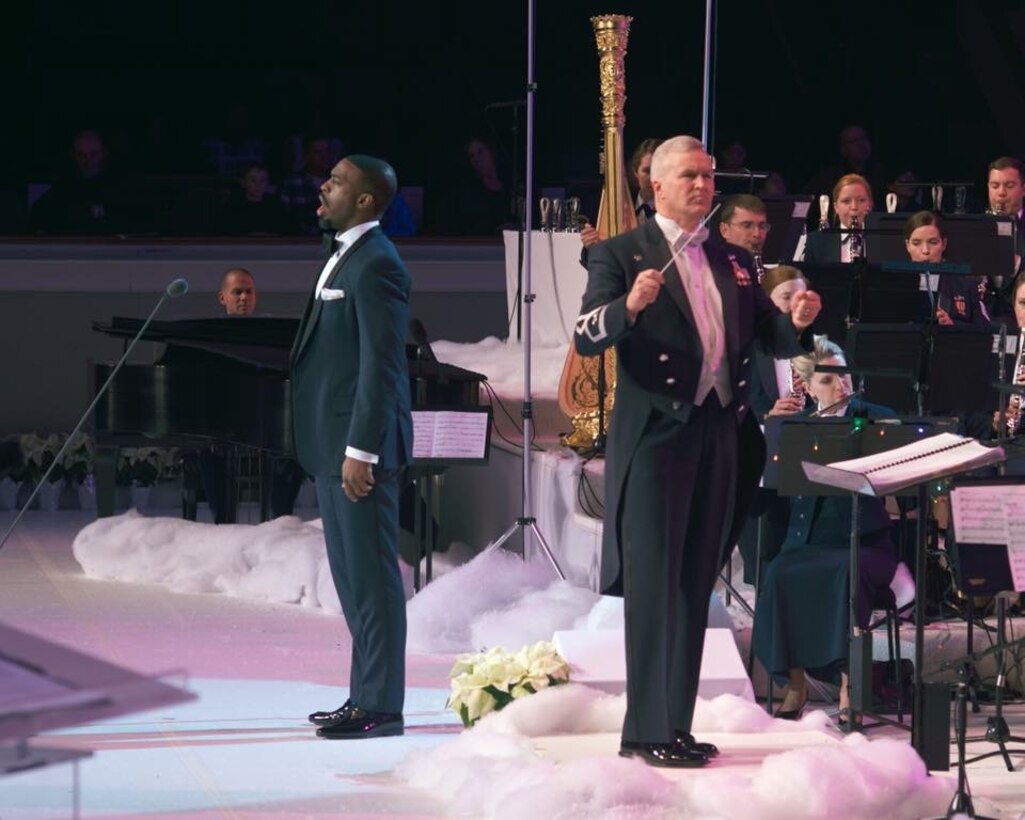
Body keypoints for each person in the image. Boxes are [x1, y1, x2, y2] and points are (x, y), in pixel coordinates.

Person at [574, 135, 821, 767]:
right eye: (689, 175)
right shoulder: (620, 253)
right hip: (658, 434)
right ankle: (648, 729)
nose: (702, 186)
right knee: (656, 585)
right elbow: (586, 332)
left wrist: (795, 322)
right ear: (656, 184)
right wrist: (628, 306)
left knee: (692, 584)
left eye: (709, 176)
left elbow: (766, 334)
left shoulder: (731, 259)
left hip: (720, 431)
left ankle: (671, 726)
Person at [293, 154, 412, 740]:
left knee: (371, 581)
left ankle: (382, 705)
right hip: (331, 443)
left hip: (357, 450)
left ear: (366, 199)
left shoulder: (376, 266)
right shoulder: (346, 256)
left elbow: (382, 366)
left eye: (336, 182)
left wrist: (361, 450)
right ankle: (365, 695)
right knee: (352, 580)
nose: (324, 186)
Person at [750, 336, 899, 726]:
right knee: (781, 573)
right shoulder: (795, 427)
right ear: (808, 387)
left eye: (844, 375)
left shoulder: (876, 418)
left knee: (843, 575)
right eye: (828, 380)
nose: (842, 386)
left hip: (863, 542)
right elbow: (767, 487)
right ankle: (796, 685)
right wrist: (770, 434)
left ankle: (851, 687)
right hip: (808, 541)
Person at [739, 265, 812, 584]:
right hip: (764, 459)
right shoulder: (747, 350)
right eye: (787, 297)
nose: (797, 304)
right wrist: (768, 418)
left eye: (801, 296)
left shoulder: (820, 347)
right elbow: (732, 412)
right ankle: (769, 579)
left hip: (812, 451)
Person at [903, 211, 987, 325]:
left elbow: (985, 334)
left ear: (943, 244)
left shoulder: (966, 285)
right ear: (908, 245)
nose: (925, 251)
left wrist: (952, 326)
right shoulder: (890, 285)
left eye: (933, 242)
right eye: (916, 243)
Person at [580, 138, 662, 250]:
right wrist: (590, 247)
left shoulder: (676, 211)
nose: (653, 177)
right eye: (647, 171)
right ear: (635, 171)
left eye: (659, 170)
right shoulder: (615, 205)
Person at [431, 135, 515, 236]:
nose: (476, 159)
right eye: (472, 156)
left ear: (492, 153)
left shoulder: (512, 187)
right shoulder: (467, 193)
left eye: (480, 152)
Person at [801, 173, 873, 263]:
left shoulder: (884, 242)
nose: (854, 207)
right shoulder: (816, 242)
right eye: (846, 201)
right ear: (836, 207)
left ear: (870, 205)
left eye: (861, 200)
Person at [280, 136, 341, 235]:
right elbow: (285, 220)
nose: (324, 156)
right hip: (301, 243)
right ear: (306, 156)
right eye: (318, 152)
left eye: (327, 151)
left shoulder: (341, 184)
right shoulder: (293, 183)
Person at [718, 194, 771, 258]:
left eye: (762, 226)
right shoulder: (709, 266)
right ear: (725, 230)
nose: (757, 234)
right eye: (747, 226)